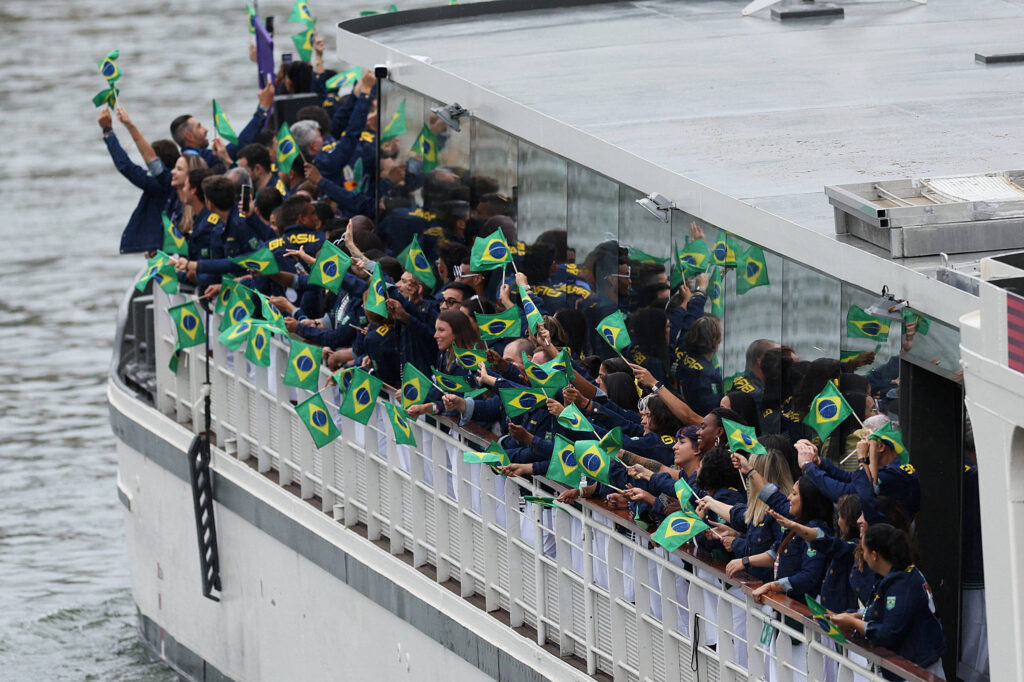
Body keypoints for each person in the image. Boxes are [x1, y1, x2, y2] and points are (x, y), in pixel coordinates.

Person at [830, 524, 946, 680]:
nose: (862, 556)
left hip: (918, 670)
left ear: (874, 555)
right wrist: (854, 616)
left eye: (863, 551)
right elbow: (880, 613)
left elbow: (888, 632)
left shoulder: (902, 584)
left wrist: (852, 622)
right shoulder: (898, 576)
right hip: (909, 668)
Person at [99, 105, 179, 254]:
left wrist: (108, 132)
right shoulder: (184, 179)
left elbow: (125, 166)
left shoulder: (160, 183)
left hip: (165, 246)